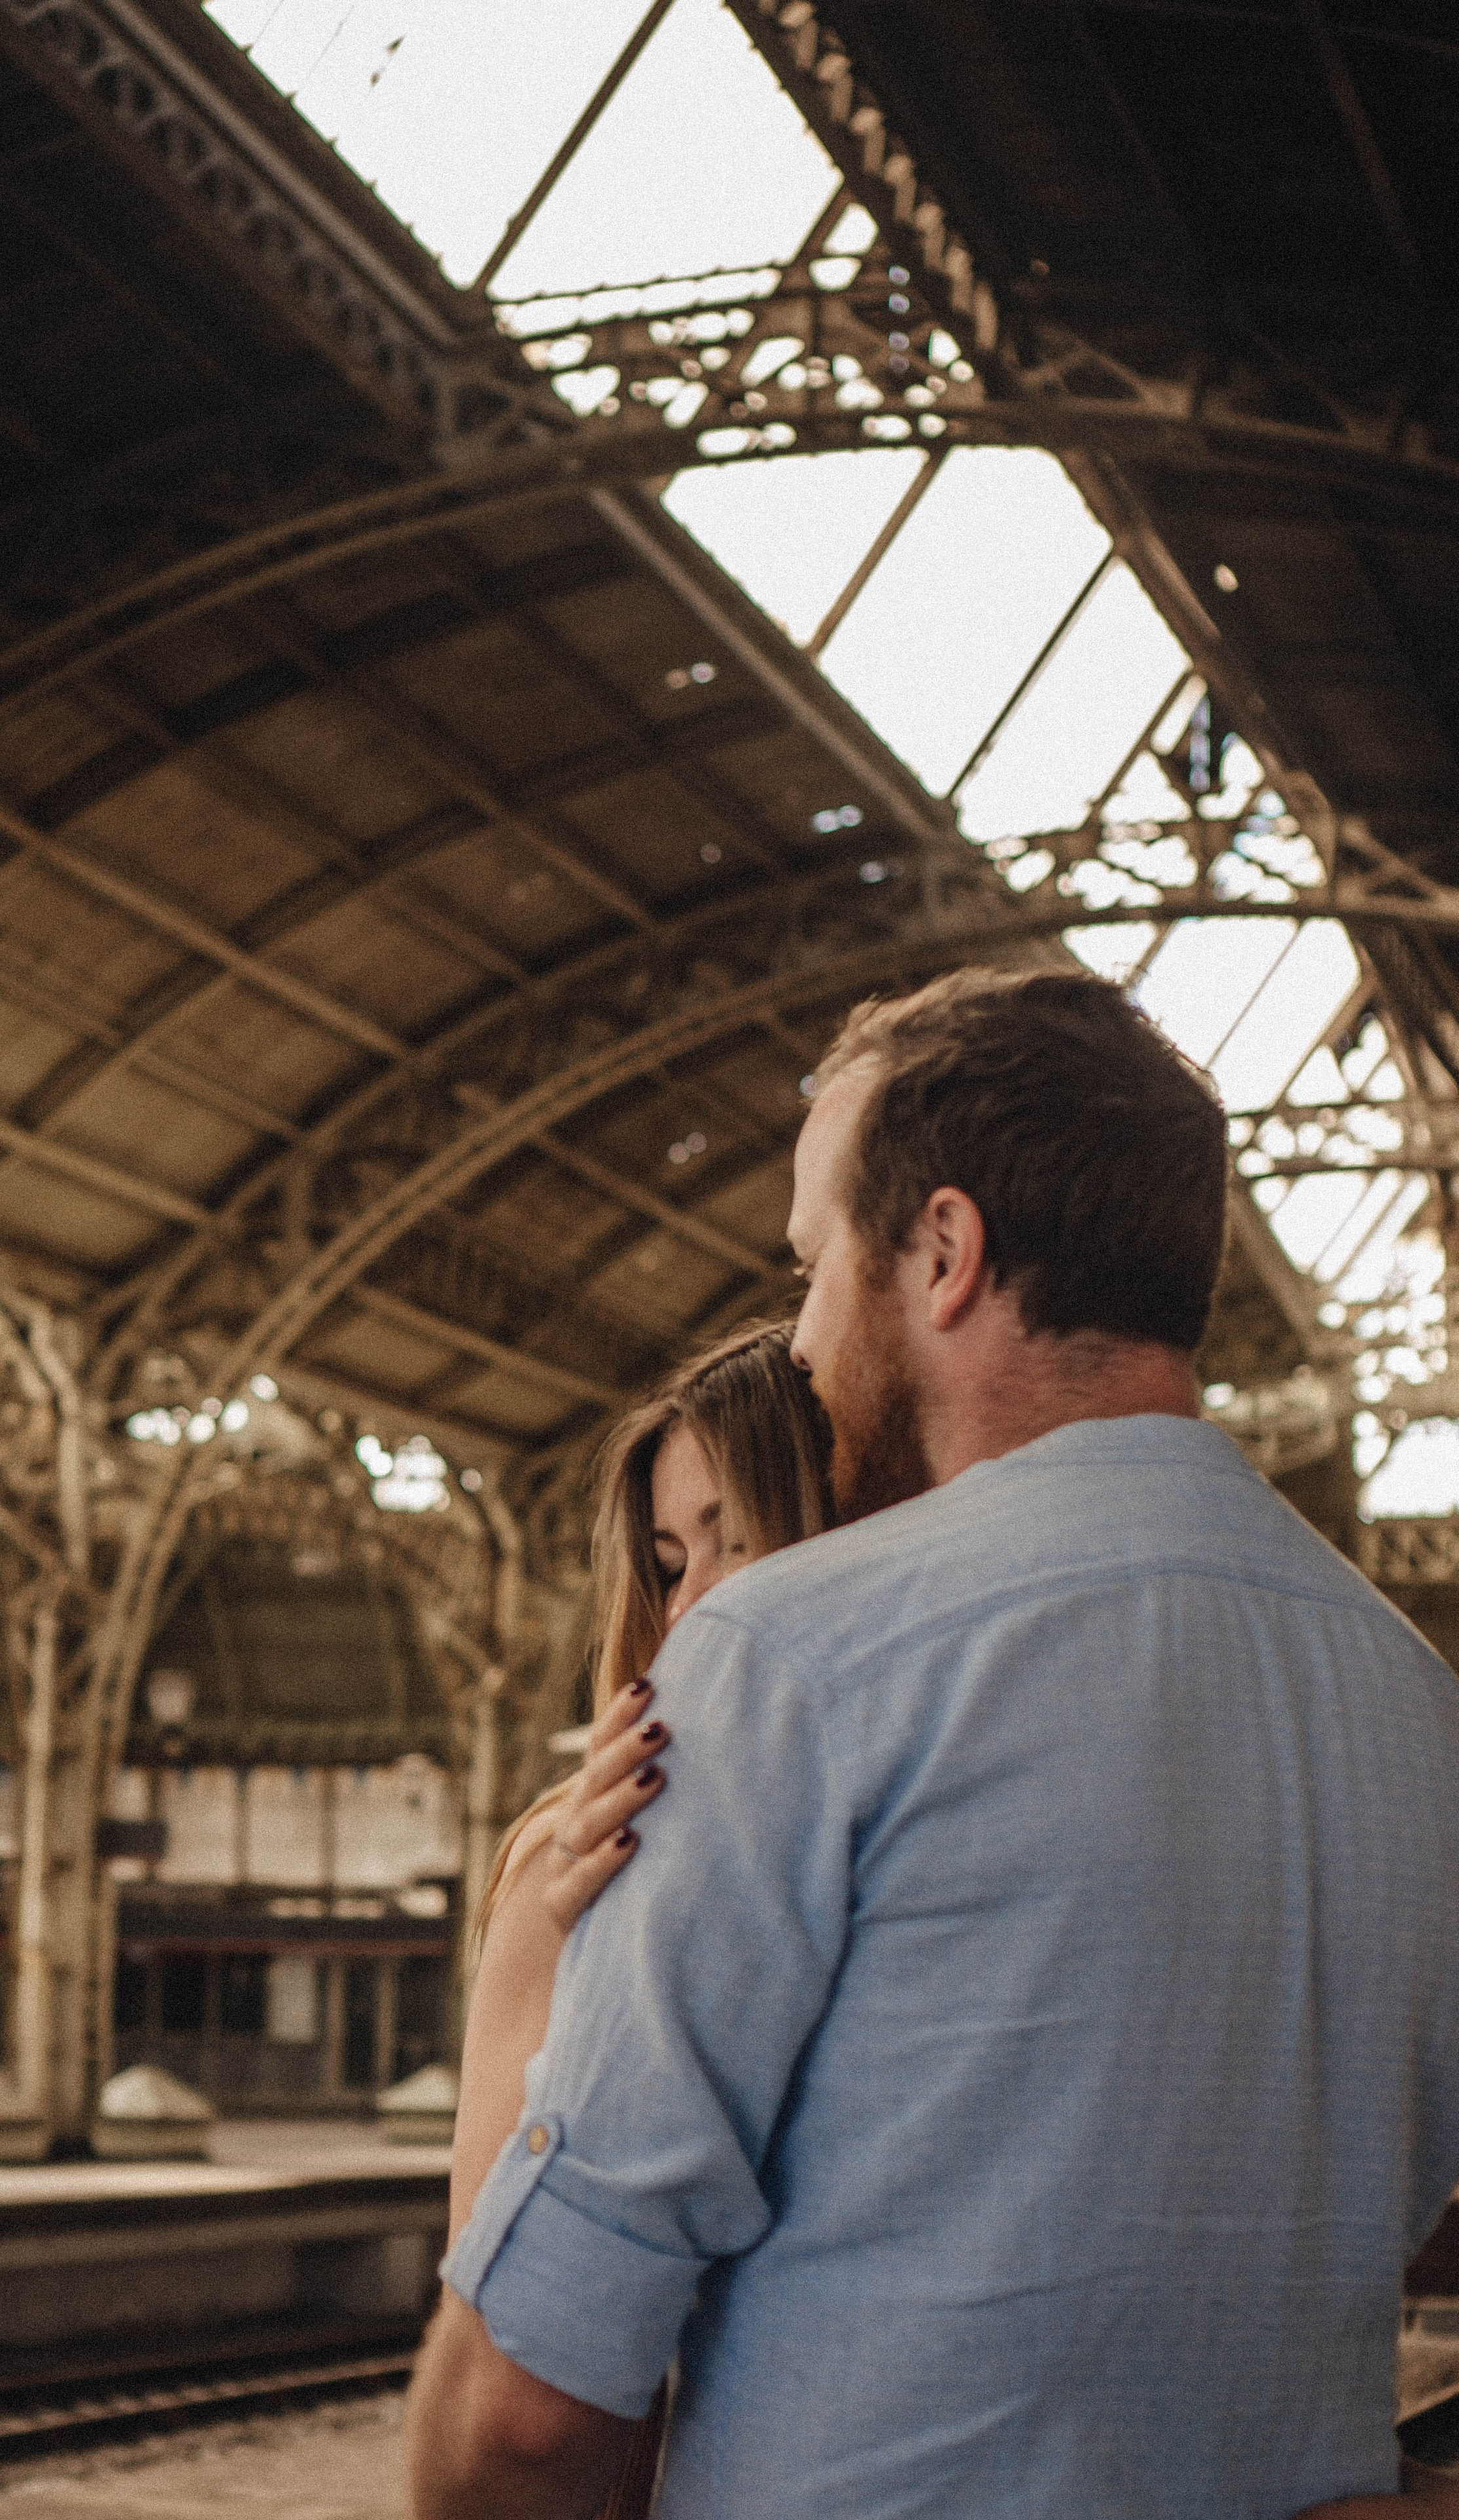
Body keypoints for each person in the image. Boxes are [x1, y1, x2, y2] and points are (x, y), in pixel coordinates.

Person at [408, 967, 1459, 2519]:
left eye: (816, 1260)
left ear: (943, 1254)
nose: (805, 1332)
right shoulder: (1411, 1706)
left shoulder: (789, 1663)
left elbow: (527, 2424)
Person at [446, 1324, 835, 2519]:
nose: (699, 1599)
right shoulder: (585, 1848)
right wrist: (553, 1950)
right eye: (671, 1561)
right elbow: (513, 2343)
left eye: (740, 1535)